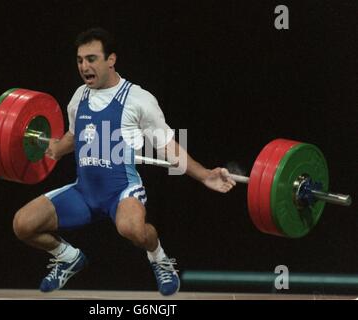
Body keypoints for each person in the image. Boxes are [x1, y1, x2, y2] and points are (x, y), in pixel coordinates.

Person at [12, 28, 236, 296]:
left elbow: (167, 147)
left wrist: (204, 175)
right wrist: (56, 148)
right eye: (80, 60)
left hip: (122, 191)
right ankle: (67, 256)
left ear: (111, 59)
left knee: (132, 230)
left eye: (92, 59)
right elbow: (74, 135)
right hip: (83, 192)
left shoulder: (138, 99)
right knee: (23, 224)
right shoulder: (78, 98)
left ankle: (159, 257)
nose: (84, 67)